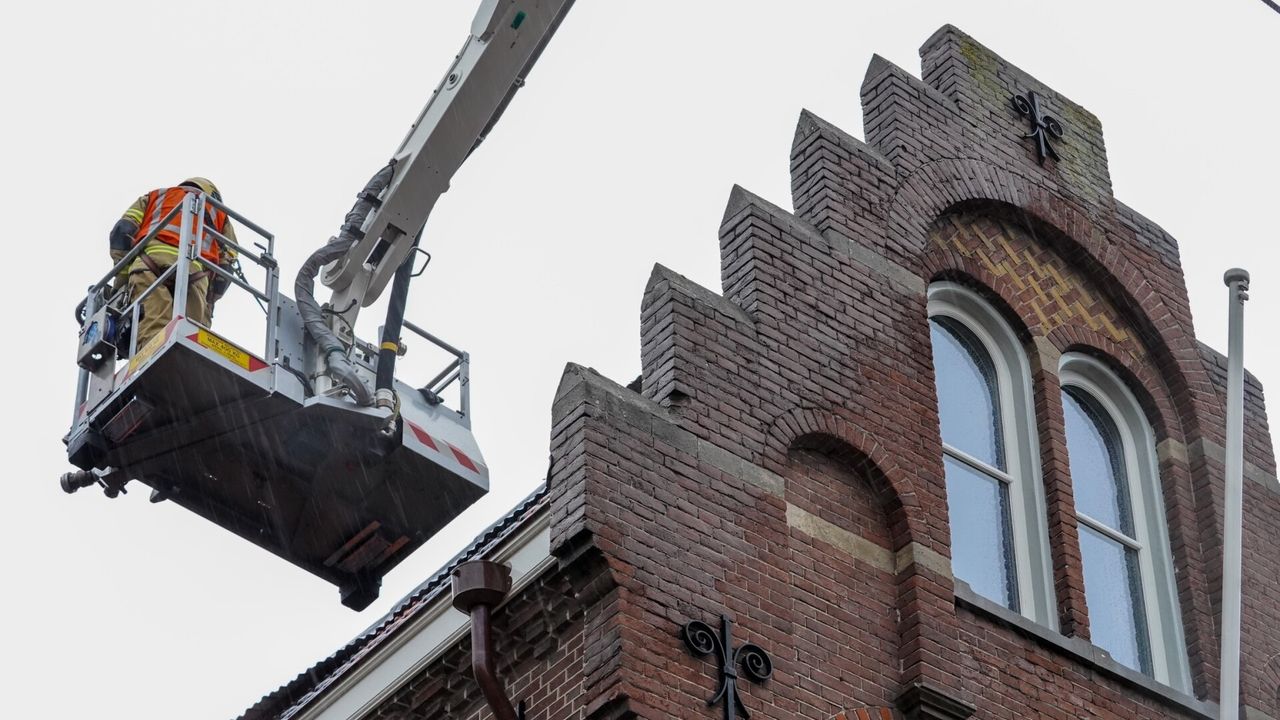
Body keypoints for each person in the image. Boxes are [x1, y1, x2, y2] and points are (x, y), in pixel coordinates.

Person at [108, 177, 238, 349]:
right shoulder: (220, 214)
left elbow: (122, 233)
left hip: (149, 266)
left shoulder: (156, 196)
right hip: (195, 276)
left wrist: (121, 285)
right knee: (191, 341)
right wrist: (209, 301)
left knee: (153, 338)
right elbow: (227, 265)